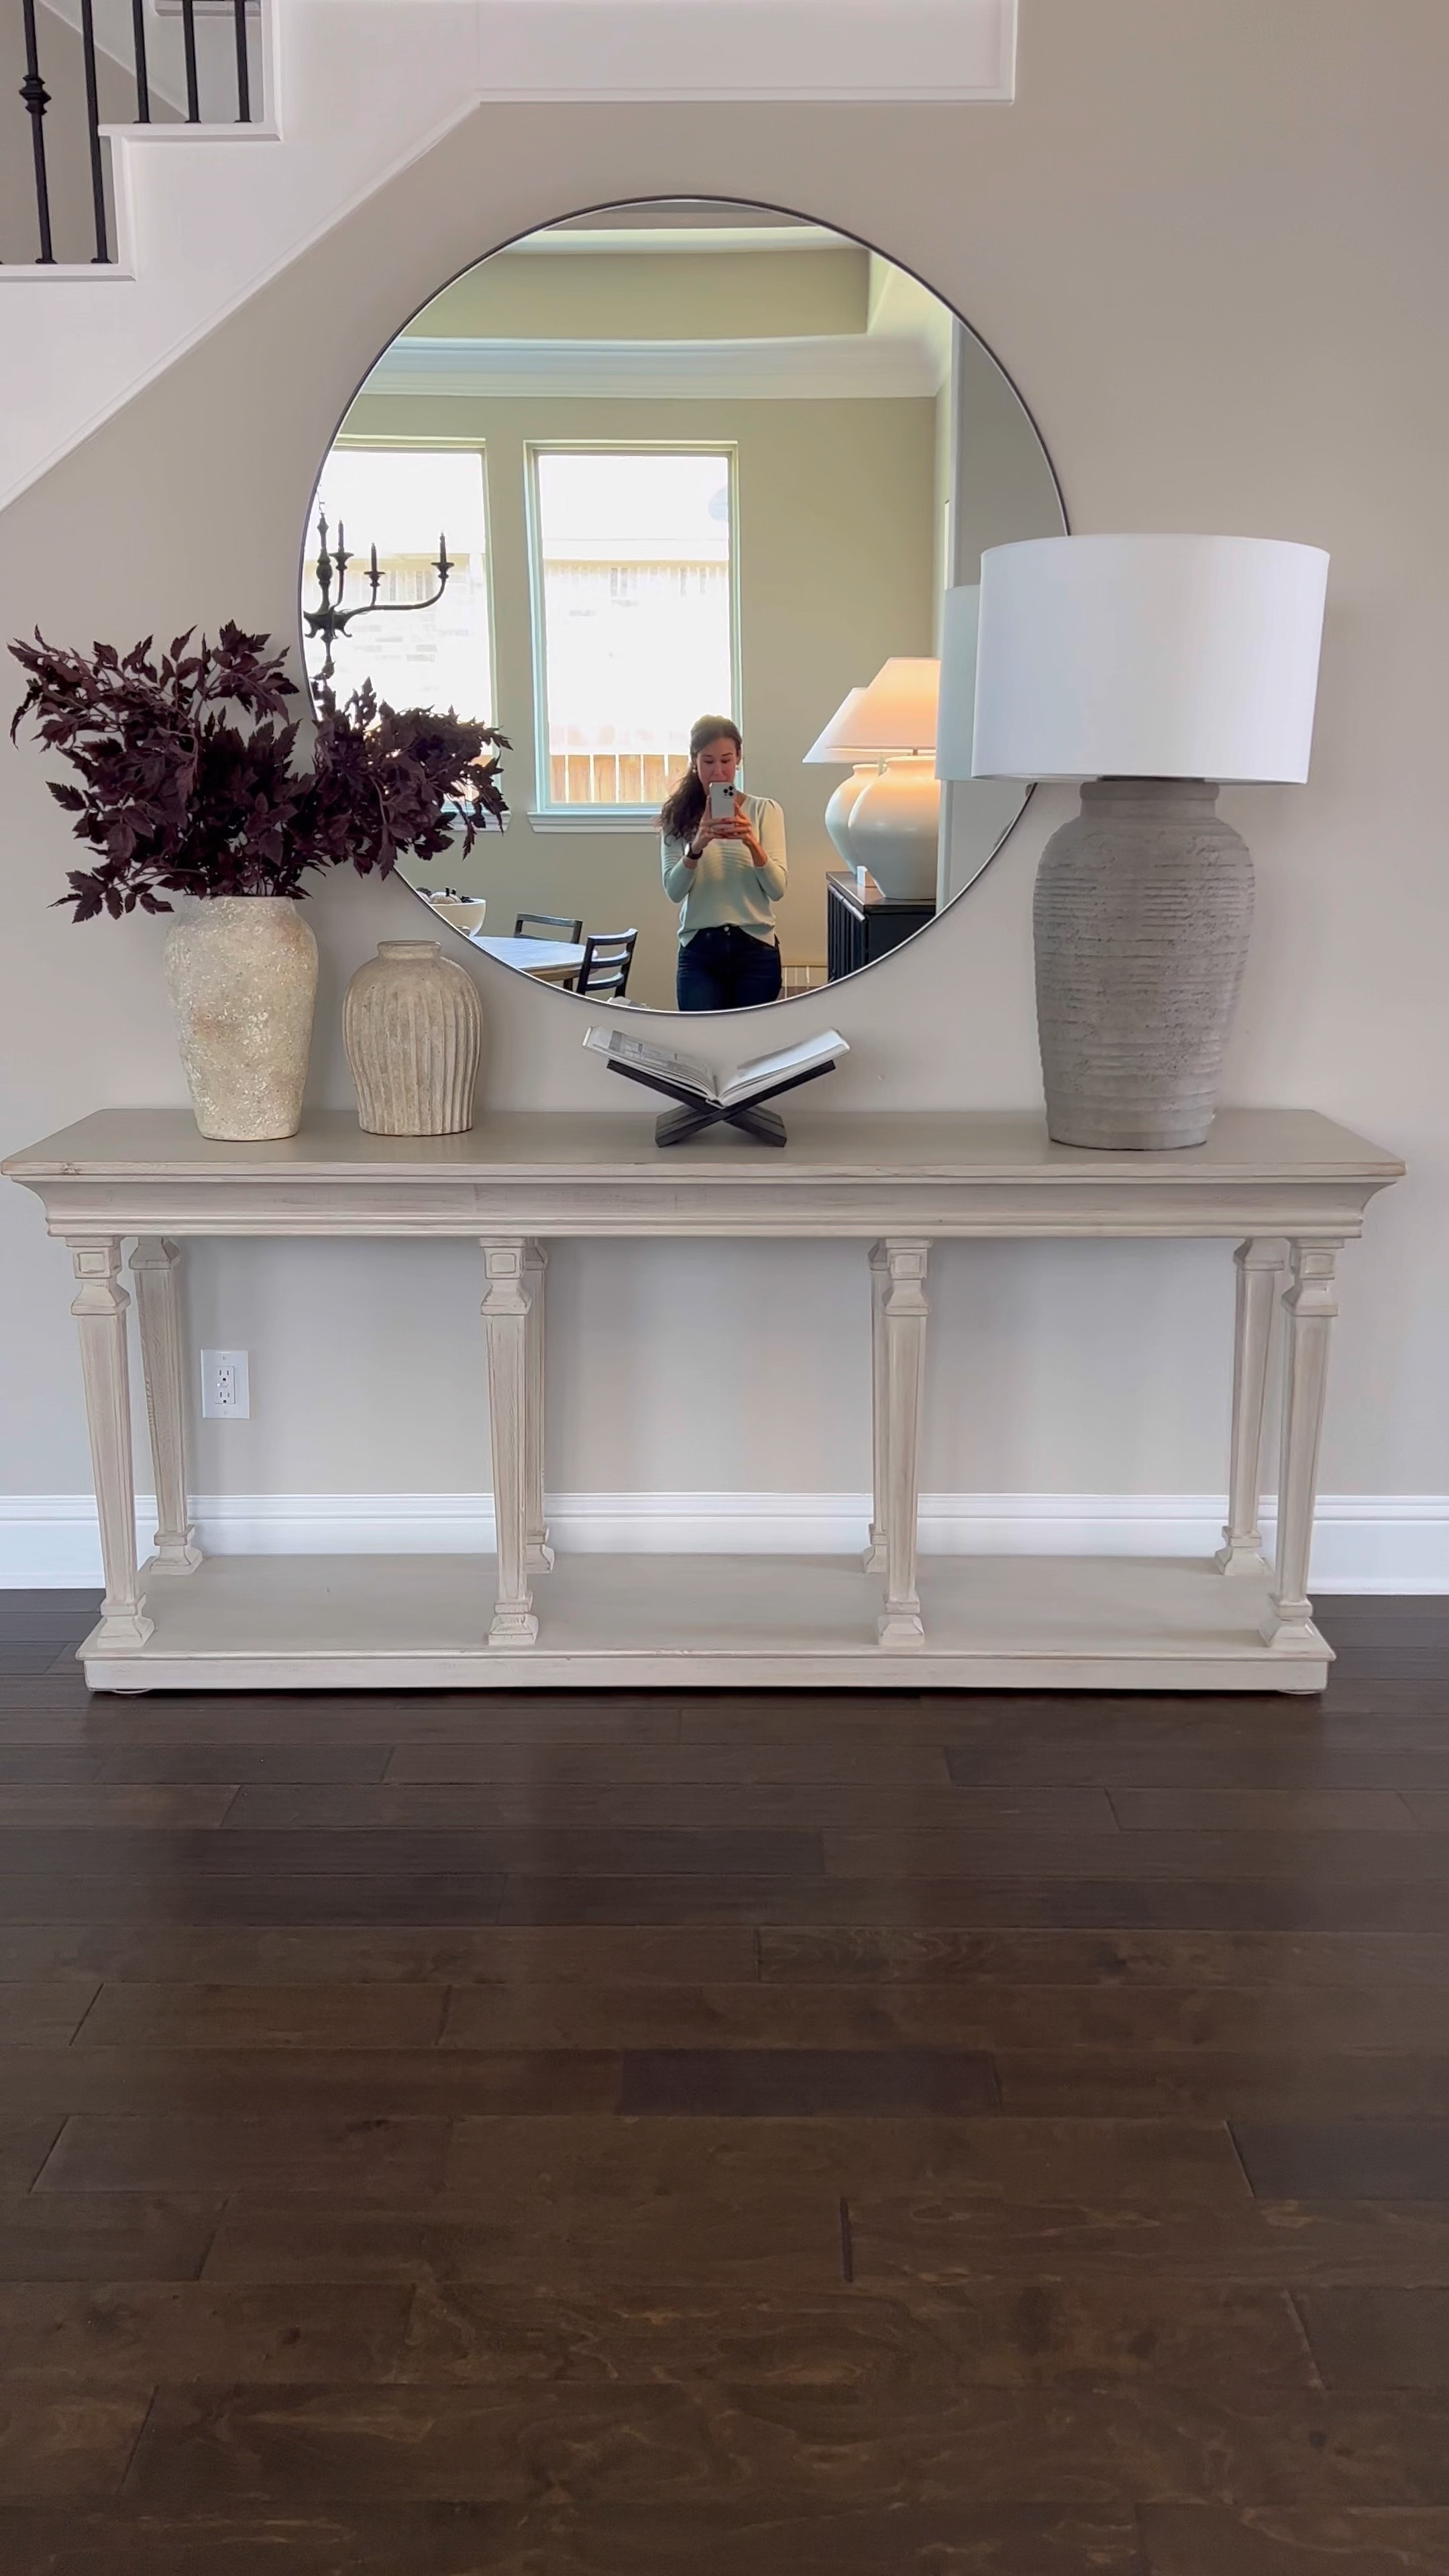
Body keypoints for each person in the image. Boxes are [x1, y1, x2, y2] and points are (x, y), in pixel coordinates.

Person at [660, 716, 788, 1011]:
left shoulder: (765, 811)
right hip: (699, 951)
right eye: (708, 761)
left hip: (756, 948)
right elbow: (674, 891)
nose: (718, 771)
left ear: (739, 757)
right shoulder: (677, 818)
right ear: (694, 762)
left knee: (755, 1048)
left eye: (726, 760)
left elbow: (778, 889)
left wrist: (751, 842)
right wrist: (697, 845)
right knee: (702, 1046)